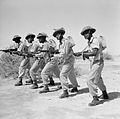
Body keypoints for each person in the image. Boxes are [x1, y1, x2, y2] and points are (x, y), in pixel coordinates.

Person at [79, 26, 109, 106]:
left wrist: (83, 54)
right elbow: (91, 53)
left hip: (97, 63)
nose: (84, 35)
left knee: (90, 80)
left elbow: (94, 52)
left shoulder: (95, 40)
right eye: (83, 34)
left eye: (85, 33)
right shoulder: (90, 42)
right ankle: (105, 94)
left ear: (89, 32)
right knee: (98, 79)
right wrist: (82, 54)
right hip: (94, 63)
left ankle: (95, 98)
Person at [52, 27, 79, 98]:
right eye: (55, 36)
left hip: (69, 59)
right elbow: (61, 52)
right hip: (67, 59)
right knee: (71, 74)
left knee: (62, 74)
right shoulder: (60, 43)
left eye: (57, 35)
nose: (56, 37)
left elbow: (65, 54)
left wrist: (54, 56)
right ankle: (75, 87)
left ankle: (65, 91)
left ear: (60, 34)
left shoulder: (65, 42)